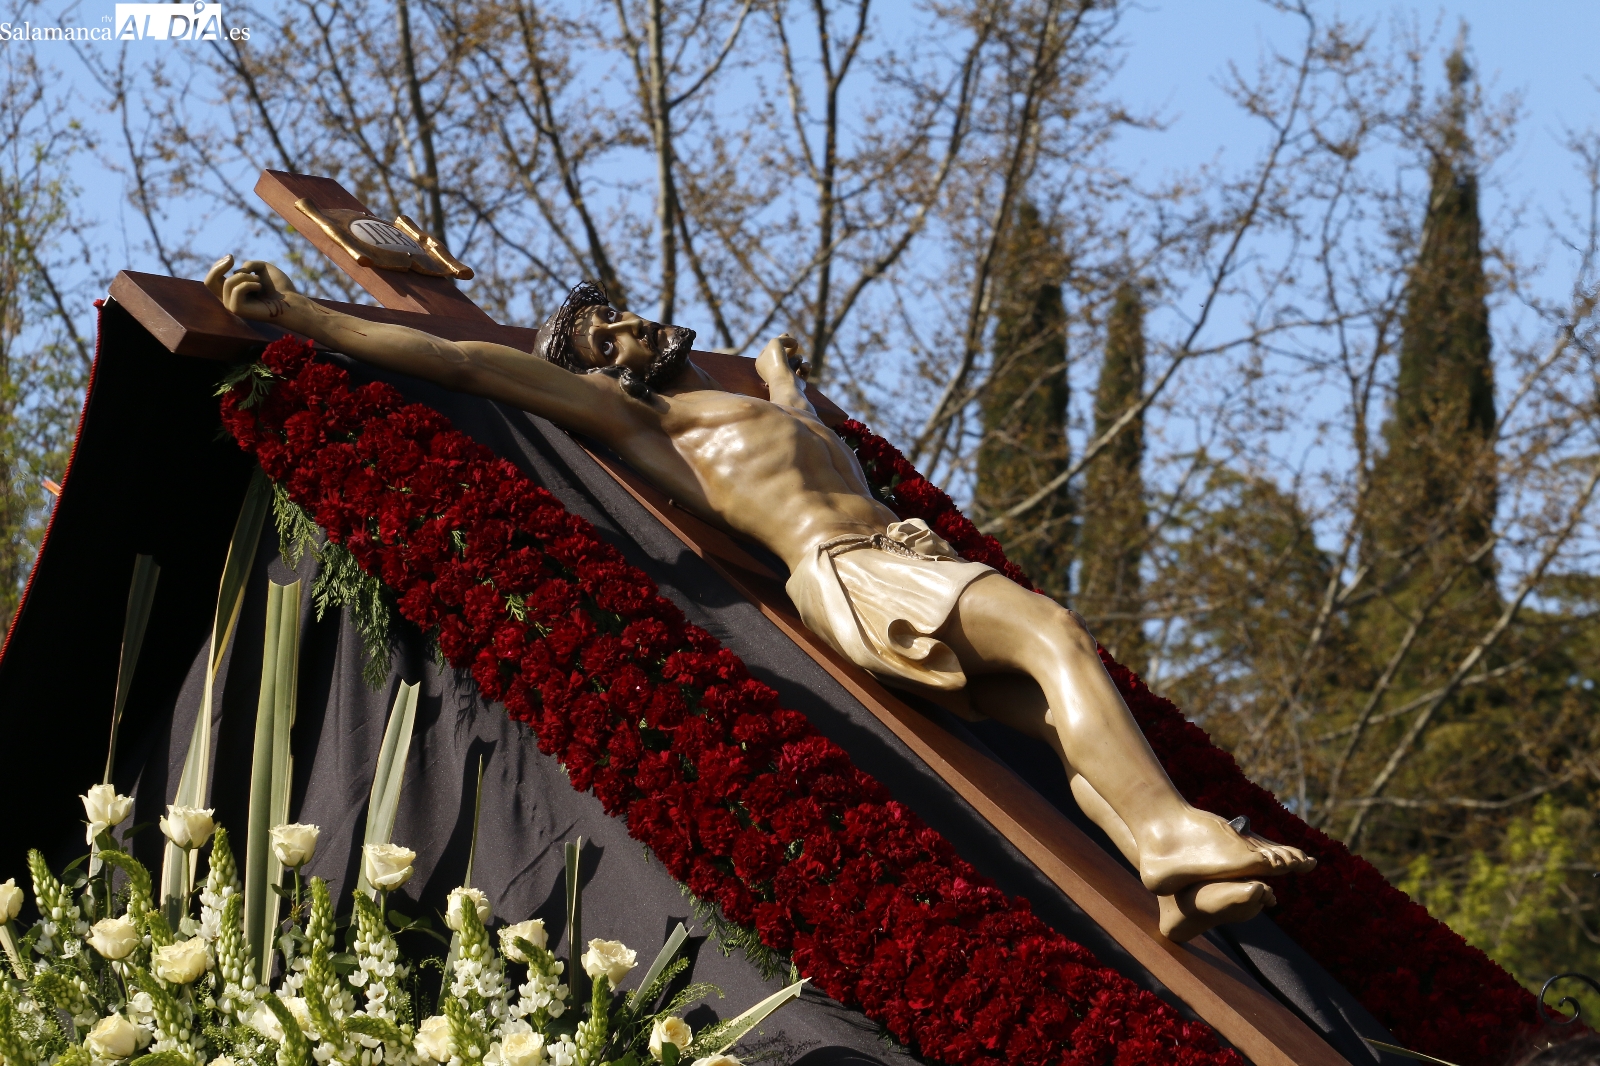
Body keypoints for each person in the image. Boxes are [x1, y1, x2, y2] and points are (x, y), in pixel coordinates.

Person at [206, 258, 1316, 941]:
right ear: (601, 374)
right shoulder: (647, 422)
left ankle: (1170, 877)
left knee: (1050, 715)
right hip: (856, 576)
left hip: (899, 550)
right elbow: (463, 366)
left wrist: (784, 377)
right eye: (602, 339)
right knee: (1052, 633)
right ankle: (1173, 831)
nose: (626, 331)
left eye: (620, 319)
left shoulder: (754, 408)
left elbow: (816, 439)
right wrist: (298, 312)